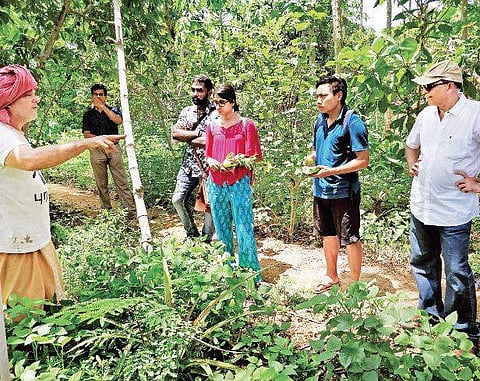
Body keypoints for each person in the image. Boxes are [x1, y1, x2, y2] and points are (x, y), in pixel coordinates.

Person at [0, 64, 125, 306]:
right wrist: (85, 144)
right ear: (7, 103)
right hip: (15, 248)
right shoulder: (2, 134)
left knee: (47, 312)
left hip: (32, 241)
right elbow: (28, 159)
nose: (36, 99)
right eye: (27, 95)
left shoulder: (13, 133)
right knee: (24, 324)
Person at [405, 60, 480, 339]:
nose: (425, 91)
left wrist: (477, 184)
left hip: (454, 211)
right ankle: (430, 320)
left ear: (450, 86)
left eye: (429, 86)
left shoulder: (475, 114)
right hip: (422, 205)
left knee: (457, 271)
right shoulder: (426, 114)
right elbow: (411, 144)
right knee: (423, 262)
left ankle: (464, 332)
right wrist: (412, 163)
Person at [308, 75, 369, 294]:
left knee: (350, 238)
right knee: (328, 234)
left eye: (323, 96)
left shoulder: (352, 122)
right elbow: (318, 150)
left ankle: (355, 284)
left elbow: (363, 160)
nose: (319, 100)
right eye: (317, 96)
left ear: (339, 95)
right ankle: (331, 276)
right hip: (321, 189)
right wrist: (311, 161)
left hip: (344, 191)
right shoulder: (320, 121)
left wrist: (332, 171)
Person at [205, 83, 263, 283]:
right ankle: (226, 273)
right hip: (216, 181)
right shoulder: (212, 126)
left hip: (238, 181)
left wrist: (236, 161)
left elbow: (255, 155)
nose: (218, 107)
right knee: (221, 228)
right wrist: (211, 161)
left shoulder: (247, 125)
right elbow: (208, 155)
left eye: (222, 103)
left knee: (243, 226)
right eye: (215, 103)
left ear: (233, 102)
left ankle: (250, 274)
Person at [171, 75, 216, 241]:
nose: (195, 94)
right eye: (193, 90)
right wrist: (197, 133)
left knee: (209, 206)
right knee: (177, 200)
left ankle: (206, 239)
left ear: (209, 92)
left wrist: (187, 136)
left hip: (209, 167)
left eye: (200, 90)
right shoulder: (187, 112)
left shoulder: (216, 114)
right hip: (188, 165)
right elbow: (175, 133)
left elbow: (211, 141)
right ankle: (191, 234)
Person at [82, 84, 136, 219]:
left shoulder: (114, 110)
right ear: (92, 96)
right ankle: (106, 211)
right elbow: (87, 134)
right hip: (96, 150)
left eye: (101, 94)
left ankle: (131, 210)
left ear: (105, 96)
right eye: (95, 94)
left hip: (113, 148)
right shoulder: (88, 114)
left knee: (121, 180)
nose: (98, 97)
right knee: (101, 183)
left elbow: (118, 121)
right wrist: (102, 140)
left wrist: (103, 107)